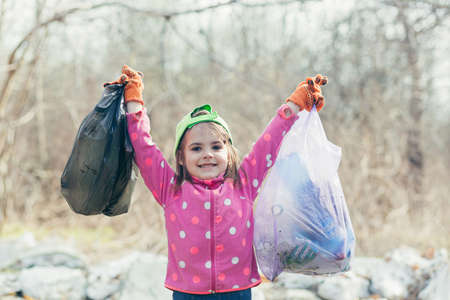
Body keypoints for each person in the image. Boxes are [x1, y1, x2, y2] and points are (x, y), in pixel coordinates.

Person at [106, 65, 327, 299]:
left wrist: (295, 103)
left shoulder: (244, 184)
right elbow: (143, 146)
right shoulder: (170, 190)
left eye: (216, 146)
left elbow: (268, 142)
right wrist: (133, 100)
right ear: (181, 157)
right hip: (188, 293)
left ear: (229, 151)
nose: (207, 154)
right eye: (196, 148)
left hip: (237, 291)